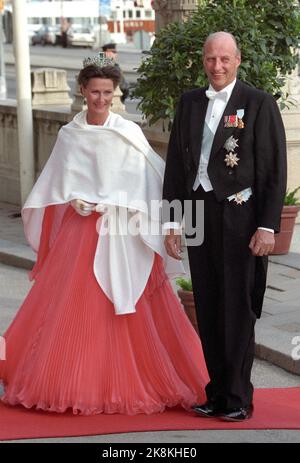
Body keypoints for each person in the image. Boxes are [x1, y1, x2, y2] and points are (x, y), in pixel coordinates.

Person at [0, 53, 208, 415]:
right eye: (95, 92)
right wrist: (72, 201)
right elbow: (53, 186)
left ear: (115, 93)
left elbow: (152, 179)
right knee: (74, 310)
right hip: (80, 235)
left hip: (124, 233)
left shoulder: (127, 132)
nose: (101, 99)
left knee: (127, 310)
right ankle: (74, 383)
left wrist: (132, 209)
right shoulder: (70, 134)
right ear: (83, 91)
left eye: (107, 92)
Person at [163, 32, 287, 422]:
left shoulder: (258, 103)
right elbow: (175, 168)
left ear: (238, 60)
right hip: (198, 214)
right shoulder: (188, 103)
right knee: (209, 304)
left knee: (237, 306)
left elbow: (272, 171)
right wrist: (171, 220)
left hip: (239, 218)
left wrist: (268, 227)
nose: (217, 66)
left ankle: (237, 398)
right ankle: (215, 393)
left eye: (224, 59)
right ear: (203, 61)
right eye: (210, 59)